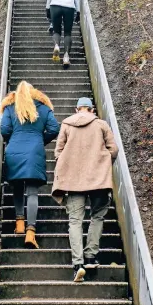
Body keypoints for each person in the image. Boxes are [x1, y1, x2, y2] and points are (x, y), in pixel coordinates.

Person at [52, 97, 119, 282]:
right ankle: (91, 256)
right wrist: (102, 163)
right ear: (92, 109)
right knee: (97, 216)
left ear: (76, 109)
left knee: (75, 221)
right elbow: (113, 150)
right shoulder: (101, 125)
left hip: (73, 182)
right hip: (98, 180)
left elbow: (58, 152)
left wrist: (67, 165)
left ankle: (77, 264)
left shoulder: (66, 125)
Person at [0, 81, 60, 249]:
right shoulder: (42, 107)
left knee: (17, 187)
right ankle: (30, 232)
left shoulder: (11, 108)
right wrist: (41, 140)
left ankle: (19, 223)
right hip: (34, 152)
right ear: (34, 93)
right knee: (32, 192)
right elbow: (54, 128)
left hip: (14, 151)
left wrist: (13, 140)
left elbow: (4, 130)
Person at [46, 0, 80, 68]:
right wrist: (78, 11)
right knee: (68, 33)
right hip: (69, 7)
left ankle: (56, 45)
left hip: (55, 6)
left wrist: (47, 8)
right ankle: (66, 57)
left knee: (56, 30)